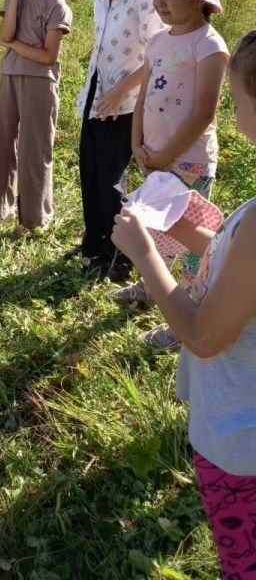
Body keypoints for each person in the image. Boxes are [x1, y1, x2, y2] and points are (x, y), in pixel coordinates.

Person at [111, 29, 256, 580]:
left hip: (241, 449)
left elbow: (202, 335)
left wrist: (148, 257)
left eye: (237, 100)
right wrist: (196, 235)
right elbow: (243, 275)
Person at [113, 0, 228, 350]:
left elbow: (202, 113)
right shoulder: (159, 41)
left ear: (200, 0)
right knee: (150, 223)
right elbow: (143, 99)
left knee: (194, 242)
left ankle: (189, 315)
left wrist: (165, 156)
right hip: (153, 156)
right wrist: (137, 144)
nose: (159, 2)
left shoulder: (209, 46)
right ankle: (152, 285)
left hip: (190, 162)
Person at [72, 0, 164, 279]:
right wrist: (98, 93)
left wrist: (121, 90)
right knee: (90, 175)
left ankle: (119, 255)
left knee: (111, 181)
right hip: (95, 98)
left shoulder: (145, 1)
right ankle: (94, 243)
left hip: (124, 105)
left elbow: (155, 57)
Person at [0, 0, 72, 231]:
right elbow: (6, 35)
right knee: (2, 145)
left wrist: (16, 47)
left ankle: (35, 218)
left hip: (40, 81)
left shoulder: (56, 4)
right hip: (10, 75)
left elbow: (48, 56)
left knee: (34, 149)